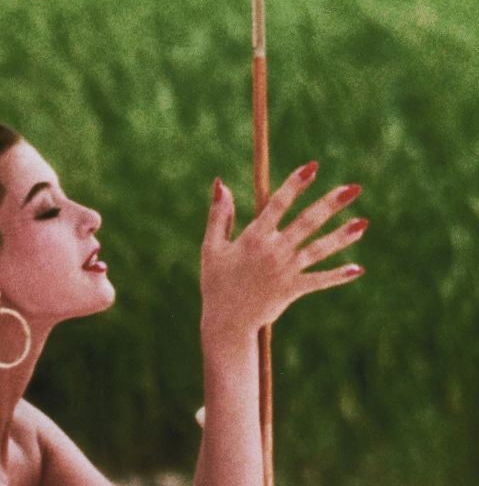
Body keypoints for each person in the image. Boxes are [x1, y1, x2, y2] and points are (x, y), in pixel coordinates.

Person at [0, 124, 366, 486]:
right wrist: (230, 331)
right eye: (46, 209)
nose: (90, 217)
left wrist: (232, 325)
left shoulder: (22, 438)